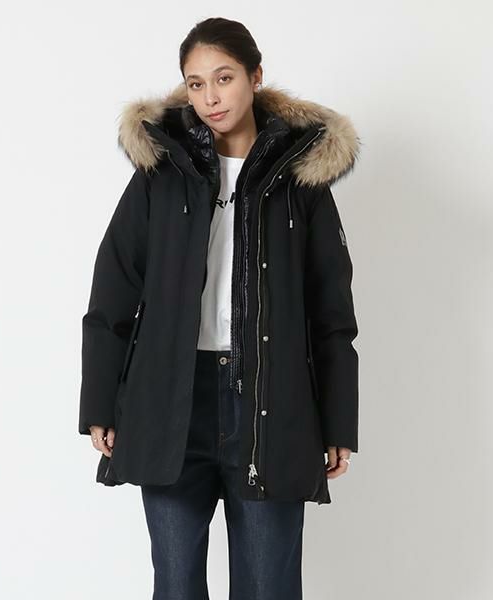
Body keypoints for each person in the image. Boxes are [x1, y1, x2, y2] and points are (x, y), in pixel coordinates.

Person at [78, 16, 361, 600]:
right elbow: (113, 290)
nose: (210, 96)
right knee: (176, 585)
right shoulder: (161, 174)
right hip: (171, 405)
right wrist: (100, 403)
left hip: (270, 403)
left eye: (224, 78)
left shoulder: (299, 182)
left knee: (267, 586)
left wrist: (338, 422)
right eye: (196, 83)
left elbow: (331, 312)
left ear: (255, 77)